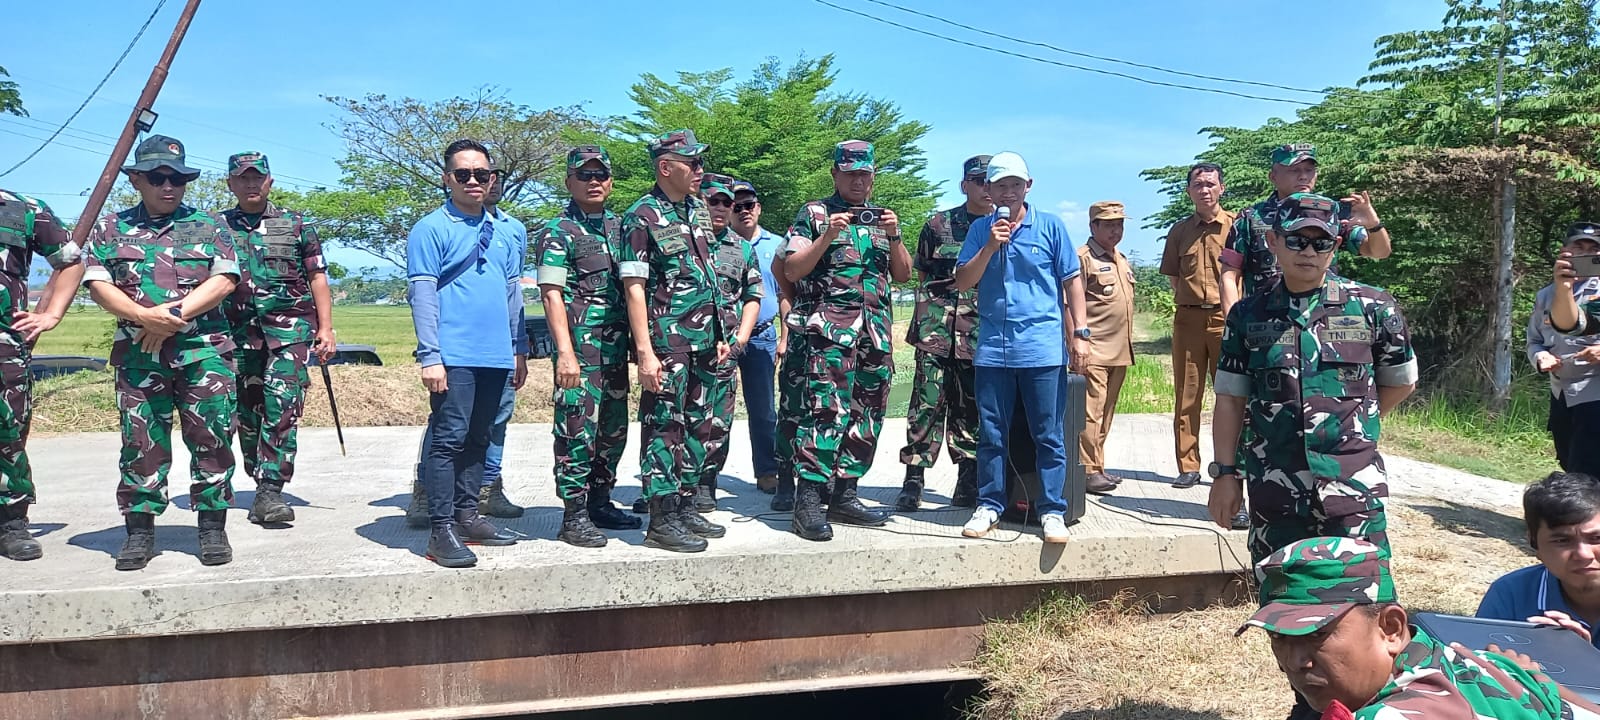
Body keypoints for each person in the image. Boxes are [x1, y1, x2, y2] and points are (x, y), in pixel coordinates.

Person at [1207, 193, 1417, 563]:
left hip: (1352, 486)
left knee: (1362, 590)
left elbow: (1401, 382)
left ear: (1335, 246)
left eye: (1321, 243)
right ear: (1273, 241)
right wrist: (1225, 474)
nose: (1308, 251)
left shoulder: (1373, 307)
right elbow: (1230, 399)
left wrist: (1354, 420)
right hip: (1276, 489)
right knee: (1280, 591)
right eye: (1296, 240)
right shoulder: (1247, 315)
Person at [81, 135, 241, 571]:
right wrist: (141, 317)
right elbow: (97, 284)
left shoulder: (210, 226)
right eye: (157, 178)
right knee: (141, 444)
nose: (168, 186)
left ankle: (212, 528)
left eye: (177, 179)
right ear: (137, 180)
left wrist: (168, 317)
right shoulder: (111, 228)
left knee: (212, 438)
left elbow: (224, 280)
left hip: (203, 353)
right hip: (139, 355)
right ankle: (139, 533)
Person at [1241, 536, 1599, 720]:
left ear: (1391, 628)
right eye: (1278, 637)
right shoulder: (1471, 660)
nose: (1294, 662)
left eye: (1318, 634)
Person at [953, 151, 1088, 544]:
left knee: (1048, 434)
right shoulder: (981, 230)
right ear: (988, 189)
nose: (1008, 192)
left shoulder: (1051, 226)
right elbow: (963, 281)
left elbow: (1071, 281)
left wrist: (1080, 333)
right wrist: (989, 247)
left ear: (1028, 186)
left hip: (1042, 348)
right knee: (992, 433)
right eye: (1000, 186)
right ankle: (989, 505)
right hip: (993, 350)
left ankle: (1052, 510)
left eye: (1015, 184)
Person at [781, 140, 911, 541]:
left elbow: (904, 275)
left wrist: (894, 235)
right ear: (835, 174)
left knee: (867, 414)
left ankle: (845, 494)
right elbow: (791, 268)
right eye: (850, 174)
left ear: (873, 177)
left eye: (864, 174)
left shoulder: (881, 218)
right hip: (831, 335)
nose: (858, 181)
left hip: (875, 334)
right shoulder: (814, 214)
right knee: (826, 412)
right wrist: (826, 237)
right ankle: (807, 502)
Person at [406, 139, 526, 568]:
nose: (473, 181)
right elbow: (422, 295)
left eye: (481, 174)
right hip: (454, 354)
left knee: (480, 437)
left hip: (495, 355)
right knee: (448, 439)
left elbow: (513, 295)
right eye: (463, 174)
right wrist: (430, 356)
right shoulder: (430, 228)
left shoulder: (506, 230)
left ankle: (468, 515)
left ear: (492, 178)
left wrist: (518, 349)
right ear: (447, 179)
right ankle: (441, 529)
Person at [618, 129, 729, 553]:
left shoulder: (695, 210)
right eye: (692, 163)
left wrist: (720, 334)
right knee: (664, 427)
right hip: (668, 343)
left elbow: (708, 276)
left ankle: (684, 505)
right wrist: (645, 353)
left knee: (699, 426)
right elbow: (634, 288)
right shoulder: (641, 216)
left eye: (701, 162)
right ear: (666, 167)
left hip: (704, 341)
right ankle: (661, 519)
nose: (700, 170)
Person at [219, 152, 335, 527]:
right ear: (230, 184)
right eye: (243, 178)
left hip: (289, 332)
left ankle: (271, 488)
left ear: (270, 181)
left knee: (282, 405)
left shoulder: (297, 225)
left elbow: (317, 276)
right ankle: (258, 479)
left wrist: (326, 328)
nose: (251, 184)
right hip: (236, 333)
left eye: (258, 177)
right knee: (246, 413)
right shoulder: (214, 228)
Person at [533, 146, 641, 547]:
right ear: (569, 182)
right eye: (584, 175)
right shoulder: (558, 231)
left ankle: (600, 501)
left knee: (613, 431)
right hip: (580, 351)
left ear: (610, 182)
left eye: (600, 175)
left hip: (615, 351)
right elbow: (551, 294)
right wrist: (564, 352)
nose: (593, 182)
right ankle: (574, 514)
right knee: (576, 430)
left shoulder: (622, 227)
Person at [896, 155, 987, 511]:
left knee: (971, 408)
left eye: (989, 181)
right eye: (978, 181)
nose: (985, 188)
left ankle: (968, 479)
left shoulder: (1001, 228)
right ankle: (913, 479)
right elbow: (922, 274)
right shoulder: (938, 225)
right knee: (926, 405)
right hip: (936, 329)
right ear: (965, 185)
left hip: (978, 332)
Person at [0, 188, 83, 561]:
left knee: (7, 435)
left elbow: (71, 261)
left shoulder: (23, 209)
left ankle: (11, 523)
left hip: (4, 349)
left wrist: (51, 314)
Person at [1219, 143, 1393, 314]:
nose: (1303, 176)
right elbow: (1229, 275)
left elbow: (1379, 252)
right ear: (1273, 176)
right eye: (1294, 170)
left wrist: (1373, 225)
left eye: (1309, 170)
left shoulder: (1331, 213)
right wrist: (1234, 321)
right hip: (1265, 317)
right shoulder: (1251, 217)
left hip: (1323, 314)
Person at [1160, 162, 1236, 491]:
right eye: (1198, 185)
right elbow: (1174, 277)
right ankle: (1188, 466)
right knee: (1187, 394)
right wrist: (1191, 301)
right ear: (1189, 191)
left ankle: (1230, 465)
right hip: (1188, 319)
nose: (1204, 190)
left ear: (1221, 188)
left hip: (1227, 319)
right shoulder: (1179, 231)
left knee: (1231, 394)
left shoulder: (1236, 226)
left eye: (1210, 184)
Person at [693, 173, 761, 512]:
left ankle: (706, 482)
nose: (721, 208)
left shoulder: (741, 248)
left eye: (727, 203)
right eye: (713, 201)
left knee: (718, 422)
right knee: (674, 419)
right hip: (683, 349)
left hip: (724, 352)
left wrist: (741, 339)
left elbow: (753, 296)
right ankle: (666, 488)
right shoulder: (683, 241)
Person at [1477, 471, 1599, 648]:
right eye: (1562, 541)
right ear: (1534, 543)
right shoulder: (1512, 594)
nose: (1584, 554)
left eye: (1597, 538)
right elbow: (1479, 660)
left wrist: (1582, 656)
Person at [728, 179, 784, 495]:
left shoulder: (777, 245)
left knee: (763, 408)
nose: (743, 211)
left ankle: (767, 470)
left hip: (762, 336)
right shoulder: (715, 243)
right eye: (736, 206)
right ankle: (705, 478)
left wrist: (785, 337)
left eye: (749, 205)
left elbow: (786, 293)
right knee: (716, 410)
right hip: (724, 338)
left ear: (758, 208)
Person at [1076, 201, 1134, 496]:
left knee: (1106, 413)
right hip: (1094, 349)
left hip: (1119, 351)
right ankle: (1086, 471)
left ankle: (1098, 465)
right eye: (1109, 225)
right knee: (1090, 412)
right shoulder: (1082, 258)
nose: (1116, 230)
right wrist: (1077, 342)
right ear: (1093, 226)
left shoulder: (1120, 258)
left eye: (1119, 224)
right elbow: (1069, 304)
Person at [1534, 222, 1600, 478]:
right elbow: (1535, 340)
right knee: (1567, 457)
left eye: (1592, 249)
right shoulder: (1546, 295)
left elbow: (1578, 325)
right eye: (1578, 247)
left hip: (1594, 391)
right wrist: (1540, 356)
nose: (1585, 254)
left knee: (1585, 468)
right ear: (1565, 251)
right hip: (1561, 391)